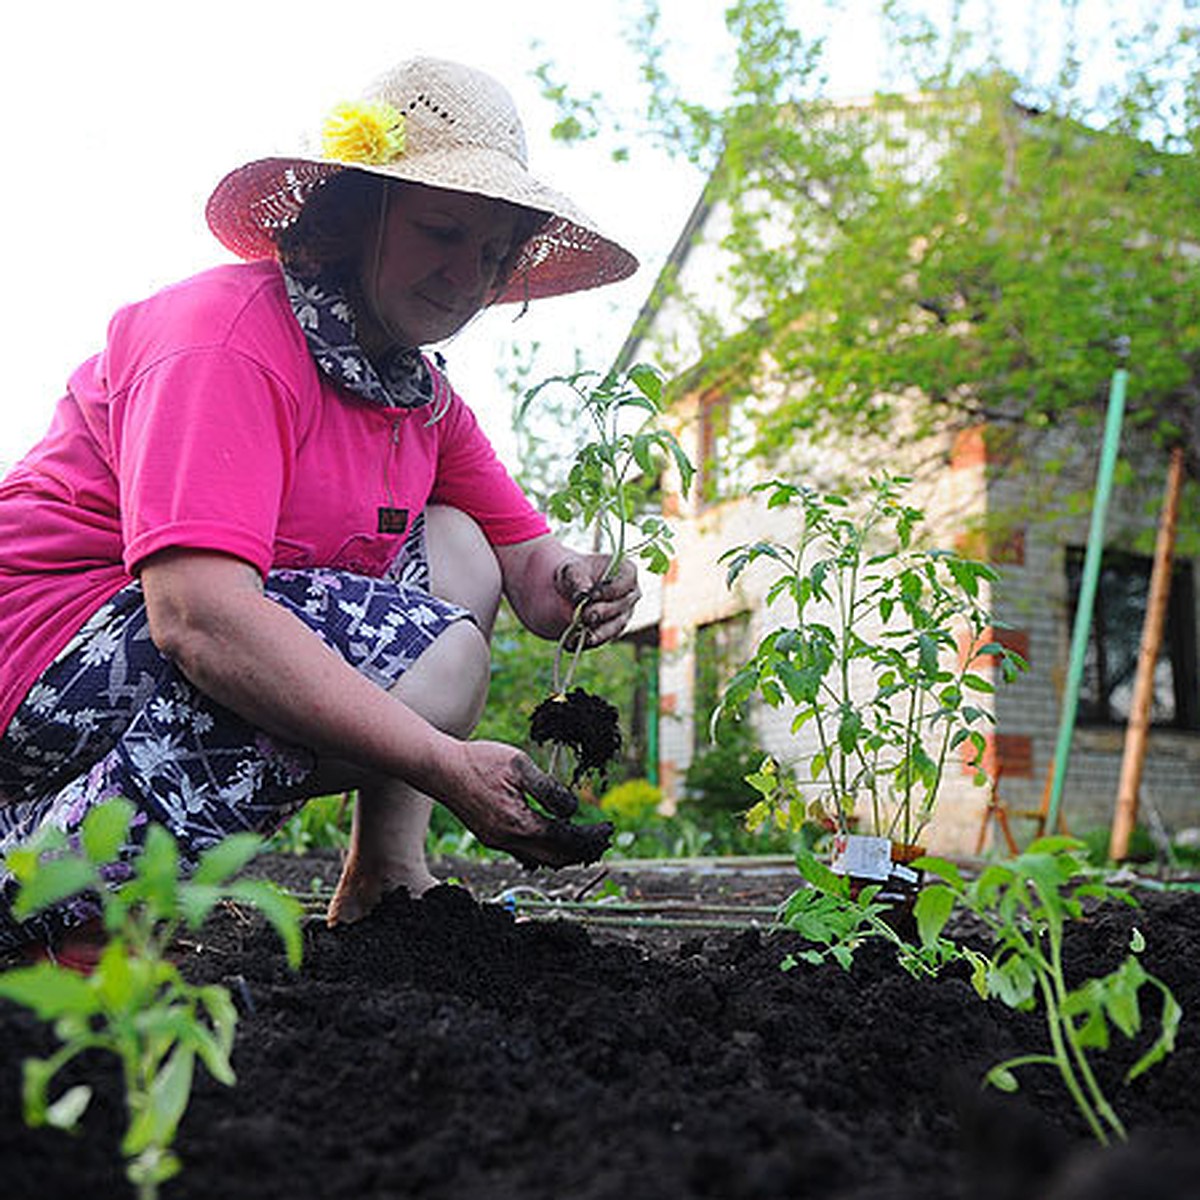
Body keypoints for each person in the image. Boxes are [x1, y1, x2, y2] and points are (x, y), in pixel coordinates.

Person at [0, 55, 642, 957]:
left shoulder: (416, 399)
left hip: (150, 660)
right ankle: (58, 907)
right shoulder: (225, 339)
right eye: (443, 231)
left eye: (493, 256)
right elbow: (198, 618)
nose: (467, 277)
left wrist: (584, 581)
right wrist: (444, 763)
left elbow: (528, 569)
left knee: (456, 544)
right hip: (43, 657)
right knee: (436, 654)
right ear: (357, 213)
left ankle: (385, 872)